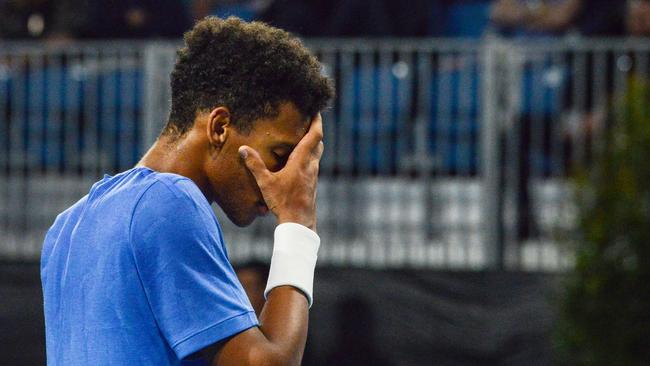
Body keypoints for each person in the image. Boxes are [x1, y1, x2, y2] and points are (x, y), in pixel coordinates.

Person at [40, 16, 334, 365]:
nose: (285, 180)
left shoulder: (65, 228)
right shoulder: (170, 202)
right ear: (220, 127)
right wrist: (298, 222)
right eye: (280, 156)